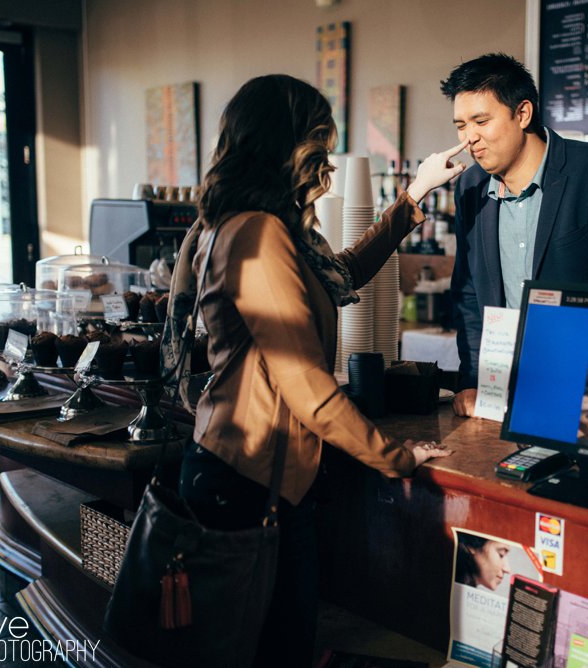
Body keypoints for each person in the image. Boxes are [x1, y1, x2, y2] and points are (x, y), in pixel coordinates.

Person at [179, 74, 463, 668]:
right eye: (320, 145)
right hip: (251, 482)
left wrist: (412, 200)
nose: (325, 163)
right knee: (272, 652)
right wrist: (398, 456)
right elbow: (306, 386)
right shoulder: (257, 234)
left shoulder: (259, 226)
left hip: (250, 474)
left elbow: (342, 273)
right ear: (288, 146)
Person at [440, 53, 588, 417]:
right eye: (461, 125)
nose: (469, 138)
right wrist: (472, 382)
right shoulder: (471, 187)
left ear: (522, 113)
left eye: (481, 121)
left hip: (584, 393)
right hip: (500, 393)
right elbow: (471, 295)